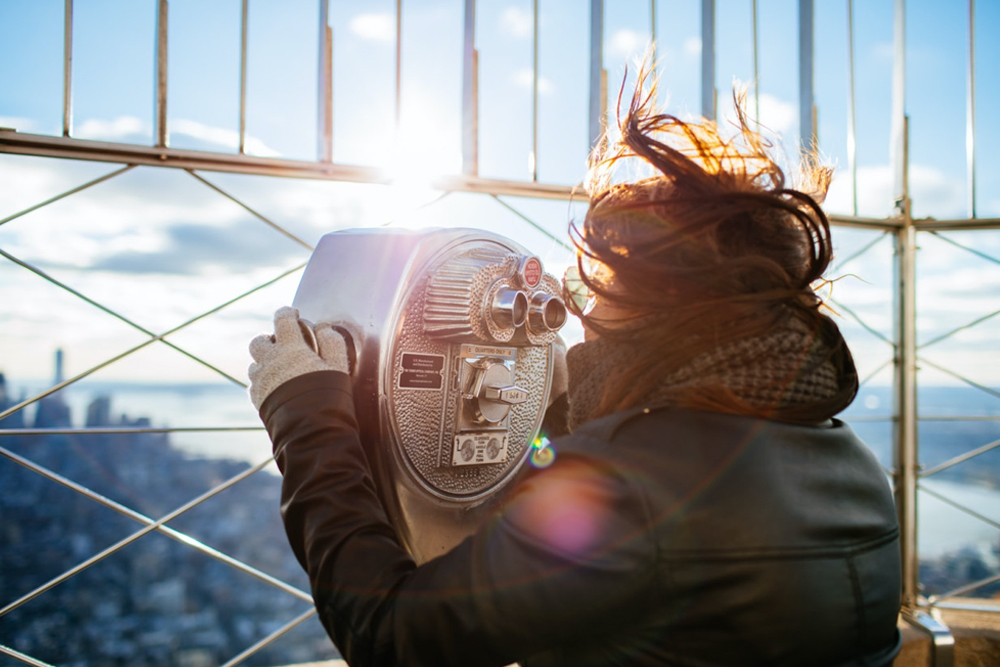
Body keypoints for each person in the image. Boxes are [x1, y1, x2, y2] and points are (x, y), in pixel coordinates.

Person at [248, 70, 902, 666]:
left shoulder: (633, 485)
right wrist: (556, 412)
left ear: (657, 306)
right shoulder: (855, 469)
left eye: (603, 288)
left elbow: (391, 634)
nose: (583, 314)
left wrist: (307, 413)